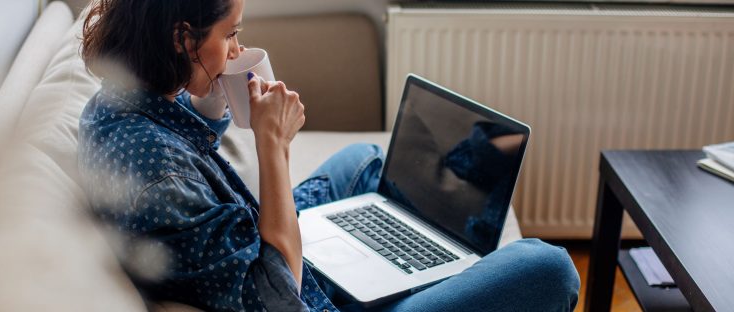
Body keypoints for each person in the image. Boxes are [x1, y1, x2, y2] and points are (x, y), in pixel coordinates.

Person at [77, 0, 580, 311]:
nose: (237, 49)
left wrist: (214, 91)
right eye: (230, 35)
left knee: (362, 159)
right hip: (297, 291)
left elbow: (192, 148)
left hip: (257, 246)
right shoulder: (157, 174)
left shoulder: (124, 102)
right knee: (549, 267)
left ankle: (413, 259)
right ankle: (430, 270)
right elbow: (279, 295)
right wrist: (273, 146)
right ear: (182, 38)